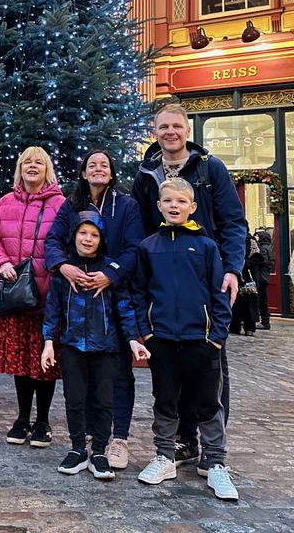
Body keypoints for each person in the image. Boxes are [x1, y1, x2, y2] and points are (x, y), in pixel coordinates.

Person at [132, 102, 243, 470]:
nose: (170, 132)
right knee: (172, 375)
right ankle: (184, 442)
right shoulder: (146, 173)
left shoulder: (210, 168)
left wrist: (232, 269)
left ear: (186, 130)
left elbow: (233, 222)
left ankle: (214, 452)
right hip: (164, 281)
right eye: (163, 126)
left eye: (176, 126)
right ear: (155, 131)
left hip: (205, 276)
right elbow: (140, 226)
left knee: (210, 372)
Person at [132, 178, 238, 501]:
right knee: (165, 400)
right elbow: (139, 292)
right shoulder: (148, 246)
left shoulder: (206, 246)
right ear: (159, 206)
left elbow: (219, 294)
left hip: (201, 340)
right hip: (162, 340)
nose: (174, 206)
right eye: (168, 201)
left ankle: (216, 462)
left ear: (192, 207)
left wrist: (216, 337)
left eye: (181, 201)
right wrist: (147, 333)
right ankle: (164, 456)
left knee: (207, 402)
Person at [44, 149, 145, 469]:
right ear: (84, 173)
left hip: (115, 292)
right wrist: (63, 267)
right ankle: (89, 438)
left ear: (111, 172)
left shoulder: (126, 205)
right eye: (92, 165)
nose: (98, 169)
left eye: (104, 165)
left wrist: (110, 274)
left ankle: (118, 438)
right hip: (78, 292)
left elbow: (134, 248)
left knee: (118, 374)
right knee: (83, 376)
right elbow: (52, 240)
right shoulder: (71, 204)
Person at [0, 146, 66, 447]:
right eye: (27, 162)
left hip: (47, 296)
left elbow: (64, 242)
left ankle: (43, 420)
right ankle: (22, 418)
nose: (32, 166)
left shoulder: (59, 204)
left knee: (45, 362)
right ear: (19, 168)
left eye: (39, 162)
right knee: (20, 361)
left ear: (47, 169)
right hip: (16, 294)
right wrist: (2, 263)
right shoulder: (5, 202)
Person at [229, 231, 262, 337]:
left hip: (248, 276)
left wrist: (246, 263)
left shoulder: (251, 241)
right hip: (236, 275)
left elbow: (258, 257)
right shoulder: (233, 239)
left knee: (249, 303)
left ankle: (249, 328)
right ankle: (235, 326)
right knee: (235, 302)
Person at [255, 228, 273, 329]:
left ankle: (265, 322)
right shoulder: (268, 247)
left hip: (261, 278)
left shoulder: (263, 248)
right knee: (262, 299)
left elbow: (263, 261)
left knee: (262, 300)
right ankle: (264, 321)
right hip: (264, 277)